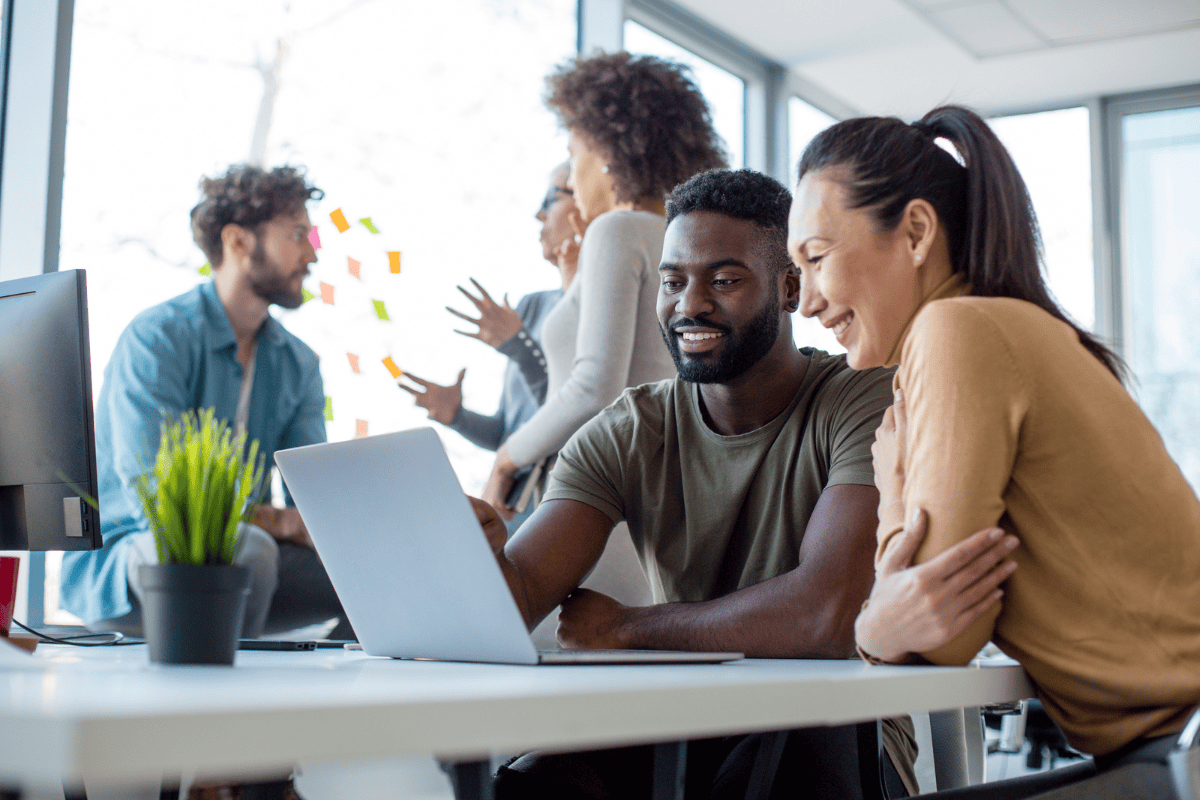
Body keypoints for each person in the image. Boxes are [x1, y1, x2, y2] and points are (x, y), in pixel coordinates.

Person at [788, 105, 1200, 793]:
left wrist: (889, 491)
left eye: (817, 259)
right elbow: (923, 611)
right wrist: (883, 621)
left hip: (1181, 749)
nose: (805, 302)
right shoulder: (996, 327)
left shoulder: (956, 331)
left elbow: (941, 636)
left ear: (916, 232)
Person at [473, 168, 918, 798]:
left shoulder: (862, 400)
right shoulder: (630, 428)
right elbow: (518, 594)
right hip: (683, 727)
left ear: (790, 288)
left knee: (778, 755)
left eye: (725, 280)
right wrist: (474, 557)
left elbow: (825, 617)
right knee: (537, 783)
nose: (691, 304)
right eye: (673, 282)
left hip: (835, 733)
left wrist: (630, 629)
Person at [60, 164, 352, 642]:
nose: (312, 253)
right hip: (134, 558)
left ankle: (315, 689)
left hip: (247, 563)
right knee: (250, 549)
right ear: (238, 242)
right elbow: (160, 498)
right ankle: (225, 691)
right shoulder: (157, 338)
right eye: (298, 234)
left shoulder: (298, 364)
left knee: (377, 568)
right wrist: (279, 520)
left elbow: (315, 504)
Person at [480, 51, 727, 519]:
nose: (572, 175)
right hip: (651, 488)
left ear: (609, 149)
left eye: (574, 156)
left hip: (594, 494)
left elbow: (594, 387)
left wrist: (505, 457)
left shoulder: (617, 231)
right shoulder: (684, 239)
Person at [400, 162, 582, 532]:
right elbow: (509, 432)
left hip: (560, 503)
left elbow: (576, 409)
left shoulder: (599, 309)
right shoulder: (531, 306)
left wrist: (518, 347)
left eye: (552, 198)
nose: (539, 213)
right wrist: (458, 417)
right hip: (512, 506)